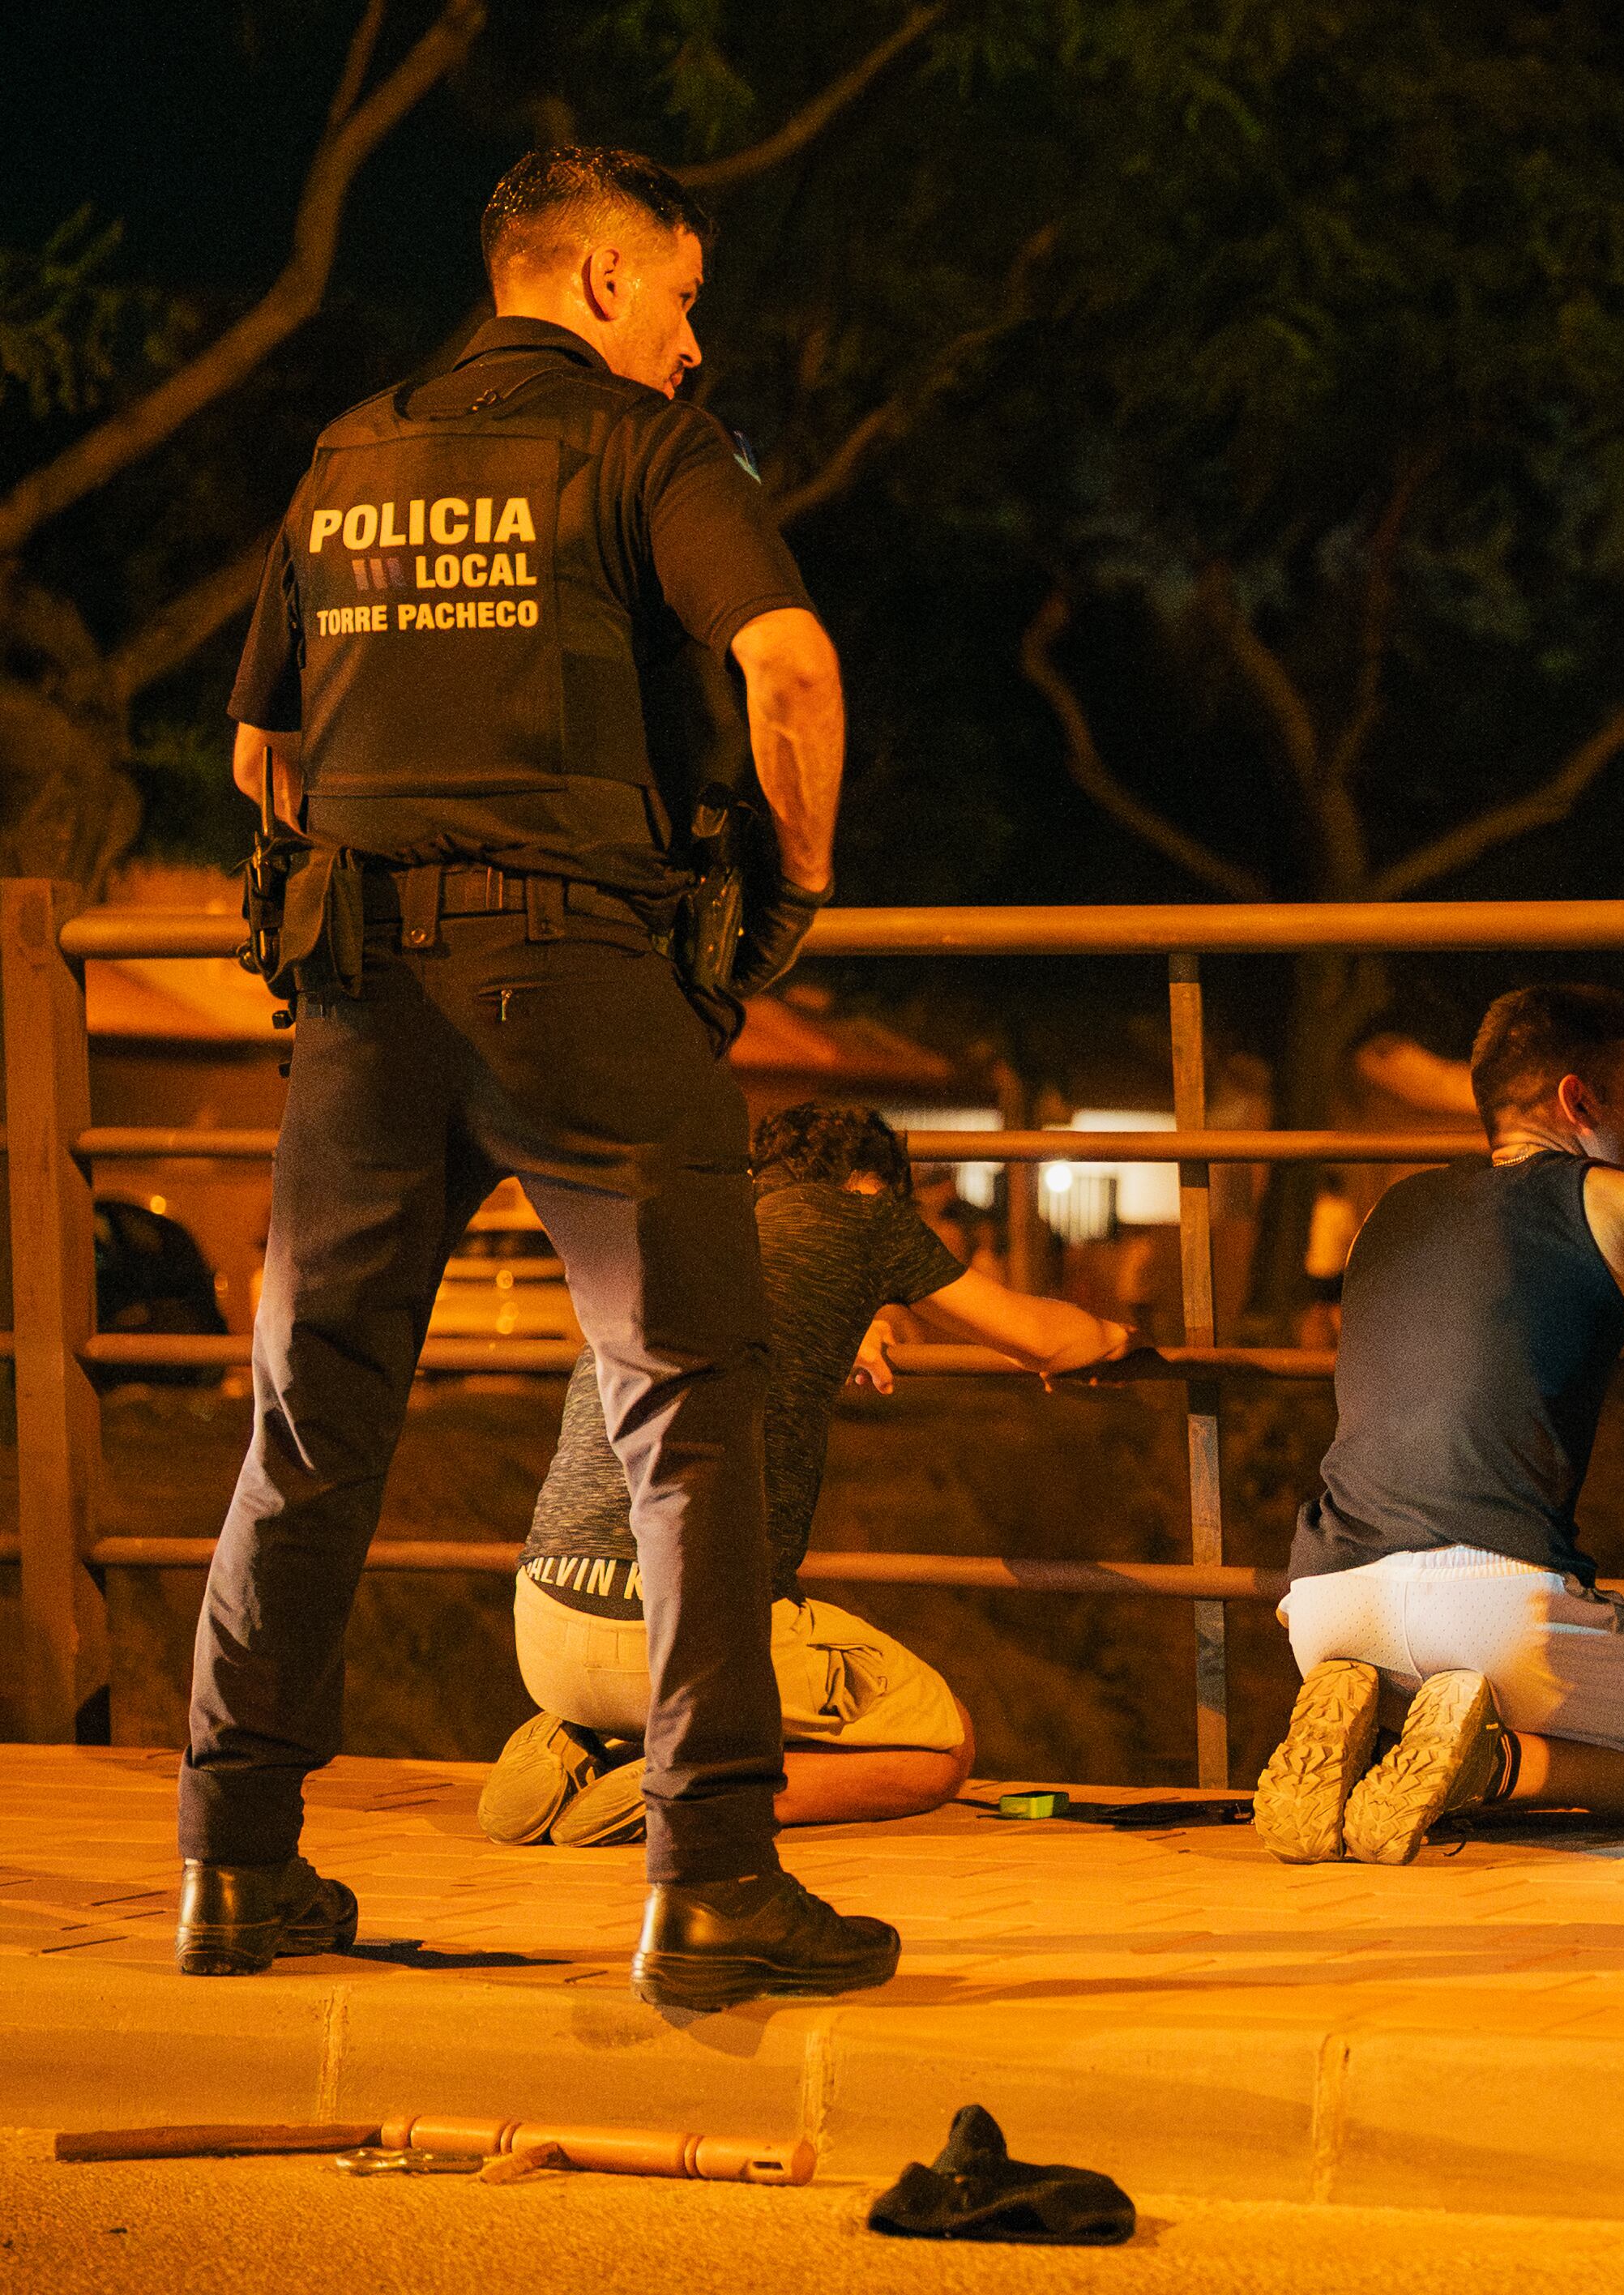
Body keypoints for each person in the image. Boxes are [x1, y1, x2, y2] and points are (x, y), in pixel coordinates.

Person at [179, 147, 892, 2011]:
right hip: (572, 973)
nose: (693, 333)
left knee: (308, 1417)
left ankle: (236, 1865)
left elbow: (260, 747)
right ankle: (714, 1875)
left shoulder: (347, 456)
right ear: (588, 283)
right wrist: (794, 888)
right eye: (675, 293)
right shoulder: (655, 454)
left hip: (353, 995)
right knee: (688, 1404)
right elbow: (793, 671)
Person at [1252, 985, 1624, 1865]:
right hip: (1494, 1596)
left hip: (1325, 1598)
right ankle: (1492, 1764)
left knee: (1423, 1675)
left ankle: (1365, 1725)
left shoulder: (1388, 1215)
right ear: (1578, 1101)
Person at [484, 1104, 1133, 1847]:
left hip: (545, 1627)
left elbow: (763, 1307)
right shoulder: (864, 1220)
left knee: (665, 1664)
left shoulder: (685, 1231)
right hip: (681, 1631)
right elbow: (1045, 1339)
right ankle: (699, 1796)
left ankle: (575, 1740)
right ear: (879, 1186)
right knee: (940, 1748)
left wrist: (849, 1324)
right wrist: (1116, 1338)